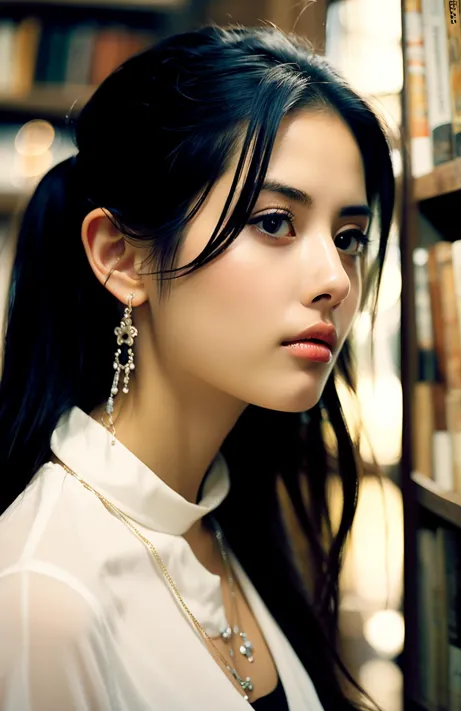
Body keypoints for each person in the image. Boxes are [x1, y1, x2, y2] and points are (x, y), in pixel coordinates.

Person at [0, 24, 394, 711]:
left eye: (350, 237)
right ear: (122, 259)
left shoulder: (224, 512)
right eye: (274, 221)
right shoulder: (41, 596)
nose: (335, 278)